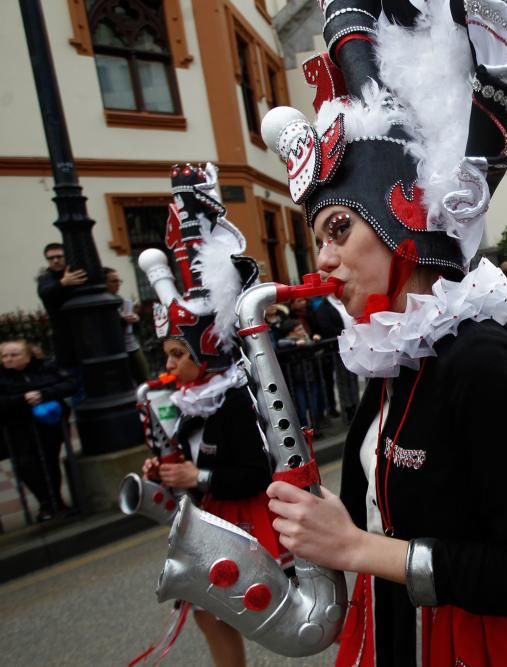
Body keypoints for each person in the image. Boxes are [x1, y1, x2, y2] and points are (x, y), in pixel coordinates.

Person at [259, 2, 507, 664]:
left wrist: (356, 547)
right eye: (316, 238)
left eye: (339, 229)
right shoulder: (389, 354)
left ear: (404, 224)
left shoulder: (477, 359)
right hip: (398, 632)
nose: (322, 260)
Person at [136, 163, 286, 667]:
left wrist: (196, 473)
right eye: (167, 356)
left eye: (178, 355)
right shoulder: (183, 399)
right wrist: (166, 471)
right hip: (207, 519)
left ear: (204, 355)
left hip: (242, 520)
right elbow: (188, 462)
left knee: (291, 617)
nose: (170, 365)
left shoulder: (232, 396)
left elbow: (255, 473)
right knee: (207, 612)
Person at [0, 339, 75, 521]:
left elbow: (68, 384)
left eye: (14, 355)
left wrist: (43, 394)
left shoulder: (45, 367)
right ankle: (45, 501)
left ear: (28, 355)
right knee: (26, 465)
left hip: (48, 427)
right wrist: (22, 399)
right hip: (17, 430)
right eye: (4, 356)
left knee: (50, 461)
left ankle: (56, 501)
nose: (8, 359)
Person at [36, 242, 86, 369]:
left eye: (59, 256)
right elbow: (45, 292)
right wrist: (63, 283)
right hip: (64, 334)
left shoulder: (75, 271)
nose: (55, 261)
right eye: (51, 258)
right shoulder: (46, 278)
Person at [104, 267, 149, 385]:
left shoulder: (119, 299)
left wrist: (135, 319)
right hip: (115, 349)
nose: (118, 284)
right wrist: (122, 320)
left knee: (144, 377)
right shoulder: (102, 302)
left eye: (119, 281)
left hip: (131, 344)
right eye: (114, 281)